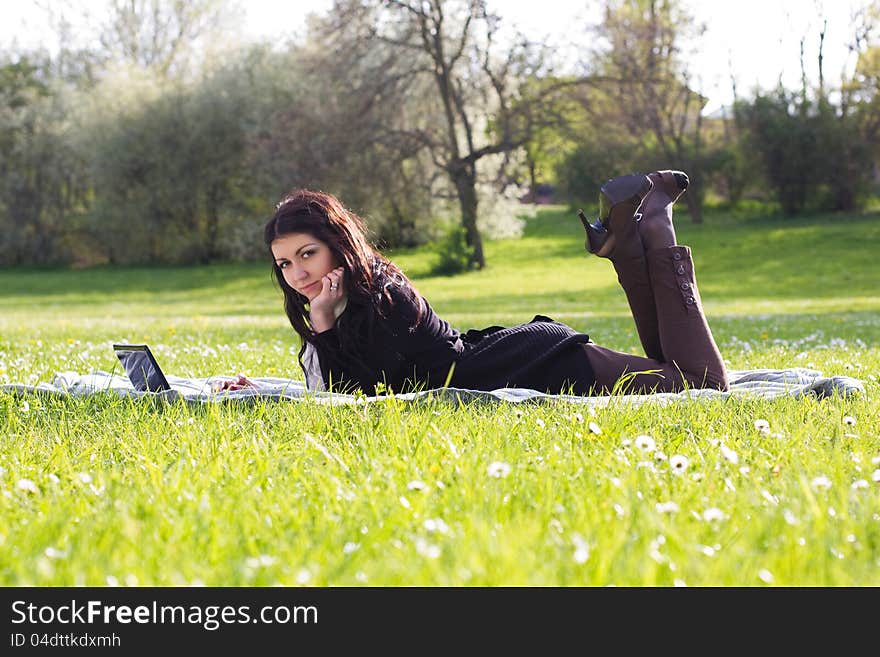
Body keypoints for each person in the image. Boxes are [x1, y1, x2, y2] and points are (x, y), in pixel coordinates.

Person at [259, 170, 728, 397]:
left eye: (307, 254)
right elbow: (334, 392)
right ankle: (627, 245)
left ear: (339, 244)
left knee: (703, 386)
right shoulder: (343, 299)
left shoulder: (381, 297)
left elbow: (357, 403)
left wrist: (322, 325)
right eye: (284, 264)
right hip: (515, 359)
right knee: (673, 371)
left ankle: (658, 224)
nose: (298, 274)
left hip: (536, 365)